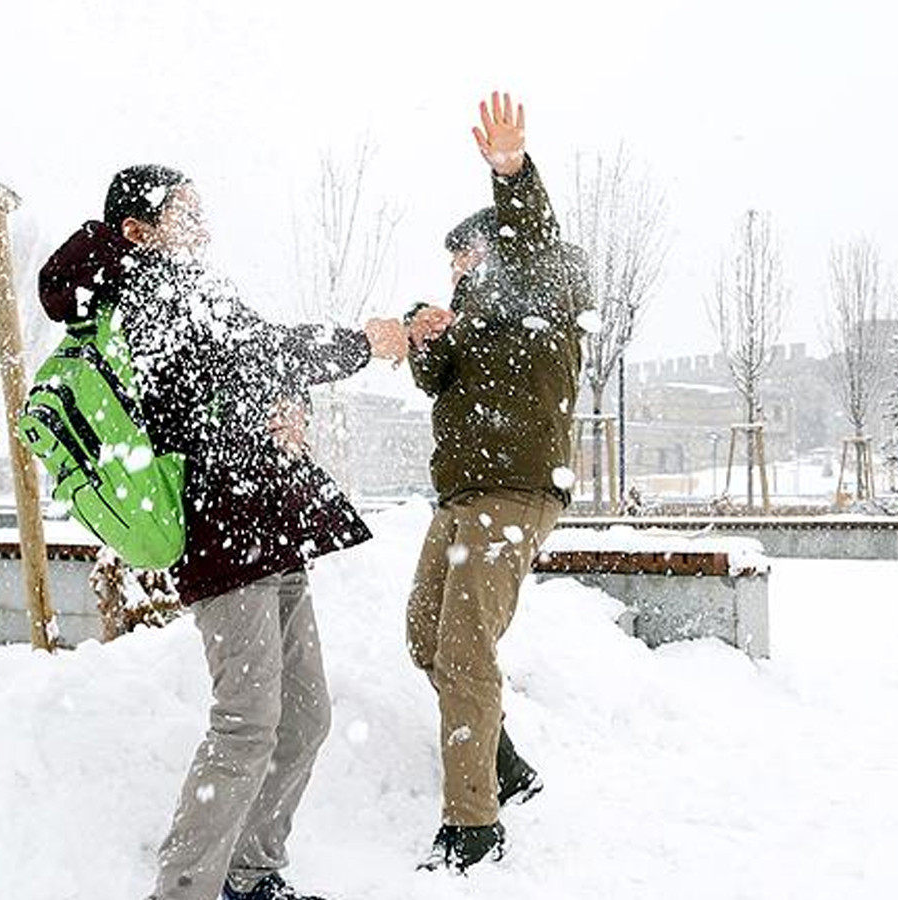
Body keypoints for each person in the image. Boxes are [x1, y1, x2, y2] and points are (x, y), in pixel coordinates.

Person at [38, 164, 408, 900]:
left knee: (304, 716)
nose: (203, 226)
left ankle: (252, 875)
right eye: (185, 213)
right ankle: (184, 890)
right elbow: (245, 353)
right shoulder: (144, 291)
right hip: (223, 534)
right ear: (140, 230)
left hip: (271, 525)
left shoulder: (199, 290)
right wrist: (360, 343)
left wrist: (290, 402)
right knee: (247, 721)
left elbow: (255, 359)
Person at [403, 92, 593, 873]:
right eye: (452, 261)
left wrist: (511, 172)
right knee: (426, 635)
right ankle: (504, 762)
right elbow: (434, 381)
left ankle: (473, 826)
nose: (459, 269)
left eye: (468, 256)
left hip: (514, 493)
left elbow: (534, 238)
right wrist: (424, 334)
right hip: (462, 497)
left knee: (464, 651)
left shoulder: (544, 289)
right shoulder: (471, 320)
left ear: (500, 250)